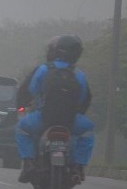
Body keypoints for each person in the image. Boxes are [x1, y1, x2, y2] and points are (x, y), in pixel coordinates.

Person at [15, 35, 94, 183]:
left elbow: (32, 90)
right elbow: (84, 98)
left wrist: (24, 104)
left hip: (43, 119)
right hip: (71, 121)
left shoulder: (43, 69)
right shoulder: (79, 74)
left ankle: (28, 163)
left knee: (21, 129)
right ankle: (78, 166)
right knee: (88, 131)